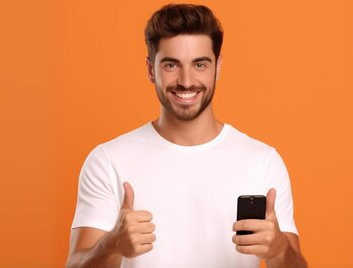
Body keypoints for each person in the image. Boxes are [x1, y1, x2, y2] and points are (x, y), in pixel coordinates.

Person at [66, 4, 307, 268]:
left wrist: (279, 250)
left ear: (218, 67)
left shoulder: (263, 162)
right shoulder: (107, 161)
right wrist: (112, 245)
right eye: (171, 65)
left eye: (200, 64)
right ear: (150, 69)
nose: (186, 80)